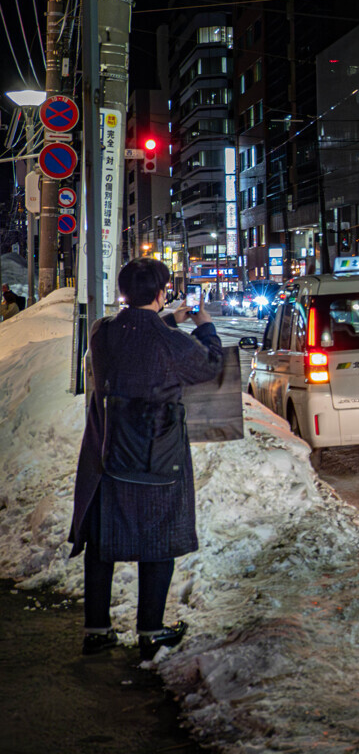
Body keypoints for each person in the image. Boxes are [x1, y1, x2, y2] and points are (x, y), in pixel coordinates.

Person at [68, 258, 223, 659]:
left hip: (108, 457)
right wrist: (203, 324)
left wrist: (166, 319)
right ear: (161, 292)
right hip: (158, 460)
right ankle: (150, 631)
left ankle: (97, 630)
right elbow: (208, 364)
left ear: (124, 292)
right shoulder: (170, 343)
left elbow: (135, 338)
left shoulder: (103, 333)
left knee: (103, 544)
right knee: (158, 542)